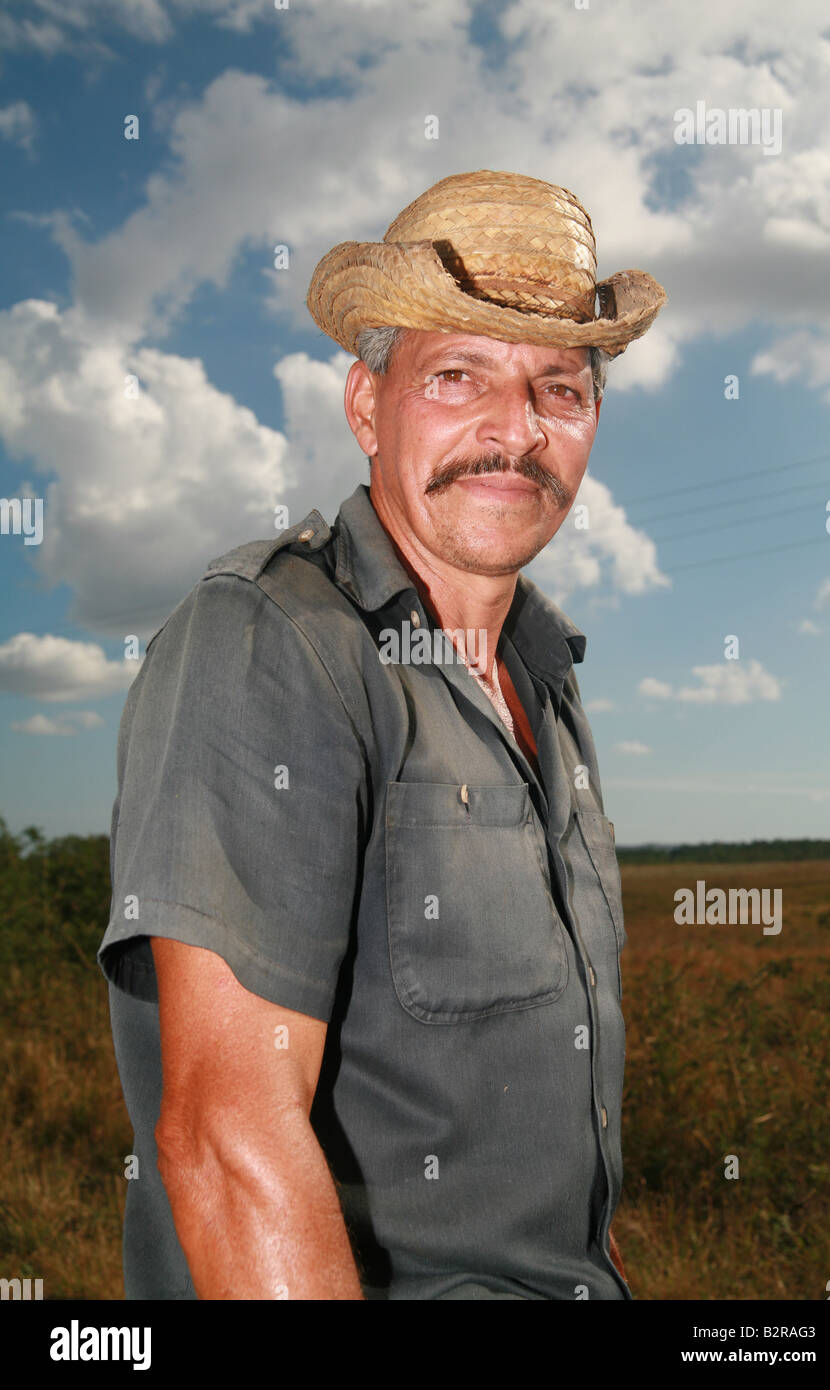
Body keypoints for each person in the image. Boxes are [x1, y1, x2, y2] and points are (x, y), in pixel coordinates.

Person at [98, 169, 666, 1301]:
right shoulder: (271, 643)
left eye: (559, 387)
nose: (515, 432)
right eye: (459, 376)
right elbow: (228, 1146)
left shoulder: (545, 683)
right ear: (367, 406)